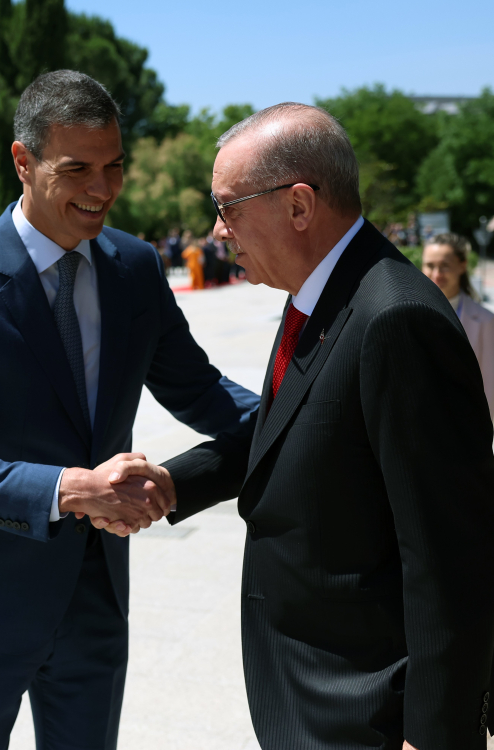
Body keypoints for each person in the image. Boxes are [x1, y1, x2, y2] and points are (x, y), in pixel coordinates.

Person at [104, 103, 494, 749]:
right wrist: (173, 483)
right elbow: (289, 430)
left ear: (299, 206)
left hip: (368, 708)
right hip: (311, 696)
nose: (217, 230)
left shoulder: (395, 319)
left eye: (228, 207)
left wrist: (433, 734)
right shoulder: (320, 294)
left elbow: (451, 555)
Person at [0, 70, 259, 750]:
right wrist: (72, 488)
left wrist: (308, 416)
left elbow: (201, 392)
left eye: (114, 165)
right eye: (78, 170)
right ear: (23, 161)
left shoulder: (135, 268)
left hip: (95, 597)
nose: (103, 188)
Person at [422, 233, 494, 418]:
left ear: (462, 265)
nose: (436, 274)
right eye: (430, 265)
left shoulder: (485, 320)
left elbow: (489, 385)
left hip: (466, 424)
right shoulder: (406, 314)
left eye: (445, 266)